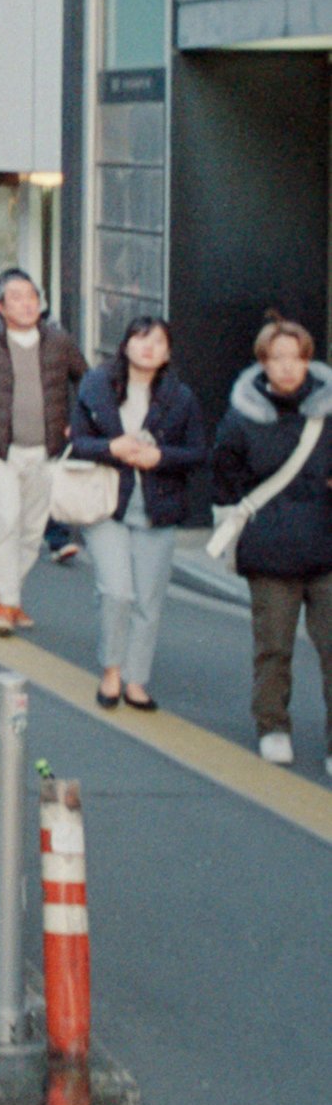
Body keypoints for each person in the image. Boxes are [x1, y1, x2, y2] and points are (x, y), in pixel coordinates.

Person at [210, 314, 332, 771]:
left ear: (308, 360)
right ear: (262, 363)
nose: (286, 367)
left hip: (326, 546)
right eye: (276, 358)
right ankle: (273, 726)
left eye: (295, 357)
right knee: (274, 647)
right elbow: (223, 475)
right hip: (269, 550)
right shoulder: (242, 418)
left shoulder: (328, 412)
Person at [68, 316, 206, 712]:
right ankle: (112, 670)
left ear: (168, 352)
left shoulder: (181, 397)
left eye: (158, 341)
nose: (148, 347)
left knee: (148, 598)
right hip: (108, 504)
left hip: (157, 508)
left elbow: (198, 452)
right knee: (117, 592)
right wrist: (111, 448)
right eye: (140, 339)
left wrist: (160, 456)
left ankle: (136, 679)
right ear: (125, 344)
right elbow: (77, 442)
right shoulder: (97, 385)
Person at [0, 269, 88, 634]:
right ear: (1, 307)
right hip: (1, 449)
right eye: (16, 297)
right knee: (6, 521)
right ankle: (5, 604)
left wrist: (77, 423)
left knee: (33, 530)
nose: (26, 303)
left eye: (32, 296)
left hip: (47, 450)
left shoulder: (59, 341)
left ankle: (11, 596)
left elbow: (87, 379)